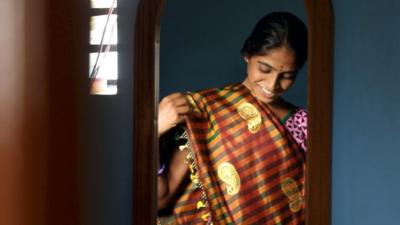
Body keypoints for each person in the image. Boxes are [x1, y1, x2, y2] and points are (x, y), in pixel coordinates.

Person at [157, 11, 307, 225]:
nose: (273, 85)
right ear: (248, 55)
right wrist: (155, 131)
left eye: (287, 76)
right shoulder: (203, 111)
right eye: (265, 69)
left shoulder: (303, 127)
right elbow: (161, 198)